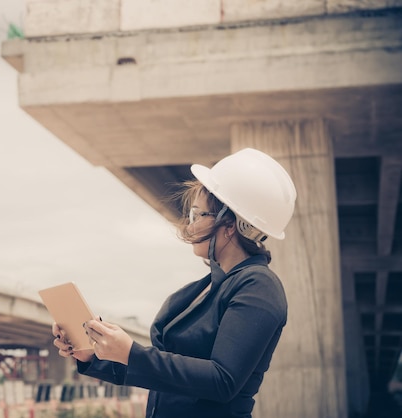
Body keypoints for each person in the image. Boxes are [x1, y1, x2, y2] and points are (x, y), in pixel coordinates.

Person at [51, 147, 297, 418]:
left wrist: (133, 353)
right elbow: (166, 376)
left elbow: (222, 380)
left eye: (196, 215)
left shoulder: (258, 286)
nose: (189, 226)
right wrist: (92, 356)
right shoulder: (208, 286)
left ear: (229, 225)